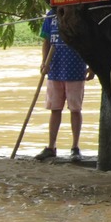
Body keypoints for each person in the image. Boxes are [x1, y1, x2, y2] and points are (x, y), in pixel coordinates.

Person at [35, 10, 90, 161]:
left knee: (75, 109)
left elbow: (89, 40)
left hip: (76, 69)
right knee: (55, 109)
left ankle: (75, 147)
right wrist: (44, 62)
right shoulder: (51, 15)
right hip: (55, 69)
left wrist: (91, 67)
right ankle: (51, 147)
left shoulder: (79, 14)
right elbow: (46, 40)